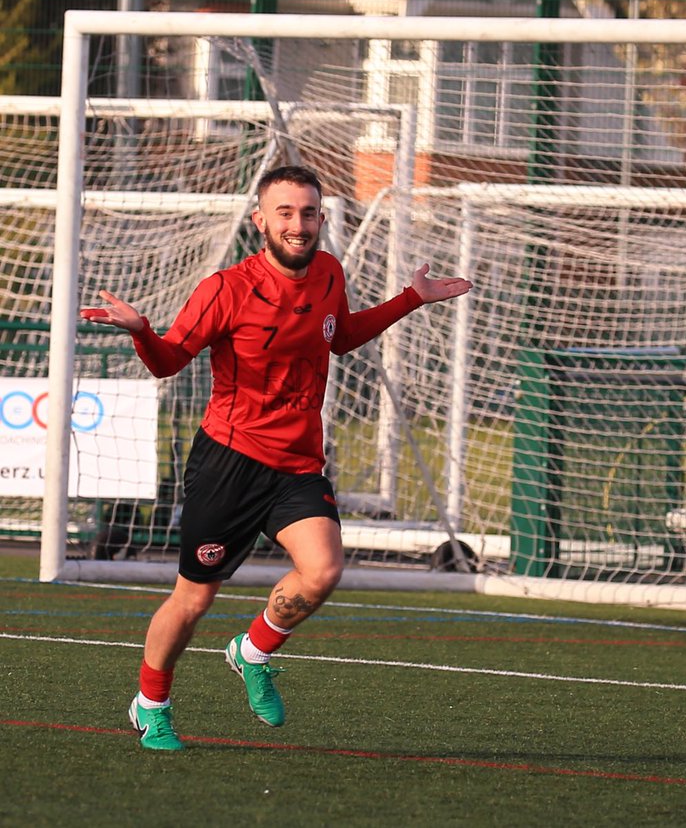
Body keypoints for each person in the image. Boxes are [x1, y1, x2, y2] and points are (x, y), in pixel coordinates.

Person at [80, 164, 473, 751]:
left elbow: (339, 337)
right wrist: (141, 330)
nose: (299, 224)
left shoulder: (329, 273)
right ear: (260, 220)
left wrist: (411, 299)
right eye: (285, 213)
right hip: (229, 463)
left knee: (323, 570)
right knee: (193, 599)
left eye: (309, 213)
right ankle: (150, 703)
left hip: (297, 462)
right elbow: (167, 363)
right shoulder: (225, 289)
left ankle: (253, 650)